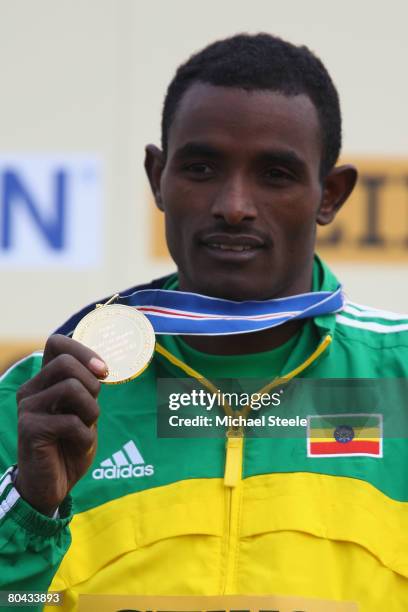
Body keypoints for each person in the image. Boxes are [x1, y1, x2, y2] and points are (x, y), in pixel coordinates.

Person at [1, 32, 408, 612]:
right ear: (157, 178)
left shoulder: (401, 376)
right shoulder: (40, 401)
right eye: (202, 167)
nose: (235, 204)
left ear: (331, 195)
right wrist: (31, 513)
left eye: (275, 174)